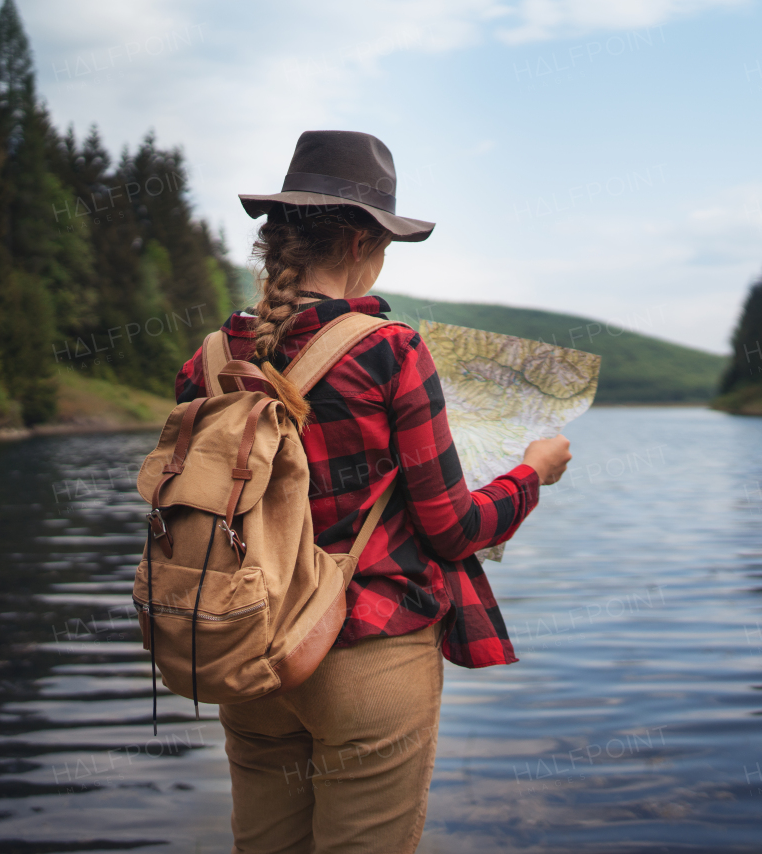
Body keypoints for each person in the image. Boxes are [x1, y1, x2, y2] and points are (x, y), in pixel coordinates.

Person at [173, 130, 572, 854]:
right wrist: (531, 476)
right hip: (368, 648)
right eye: (386, 243)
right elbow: (450, 528)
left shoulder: (210, 359)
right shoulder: (390, 349)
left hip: (249, 651)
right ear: (360, 243)